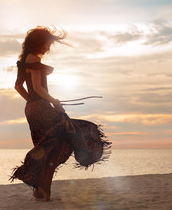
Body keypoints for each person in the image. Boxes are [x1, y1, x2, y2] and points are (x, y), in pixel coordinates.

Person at [10, 26, 111, 201]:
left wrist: (30, 101)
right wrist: (54, 102)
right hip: (41, 108)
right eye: (46, 44)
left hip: (32, 109)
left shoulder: (25, 60)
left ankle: (41, 188)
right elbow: (39, 88)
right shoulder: (33, 58)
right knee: (66, 133)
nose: (47, 49)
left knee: (51, 146)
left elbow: (18, 87)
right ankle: (44, 187)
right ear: (38, 43)